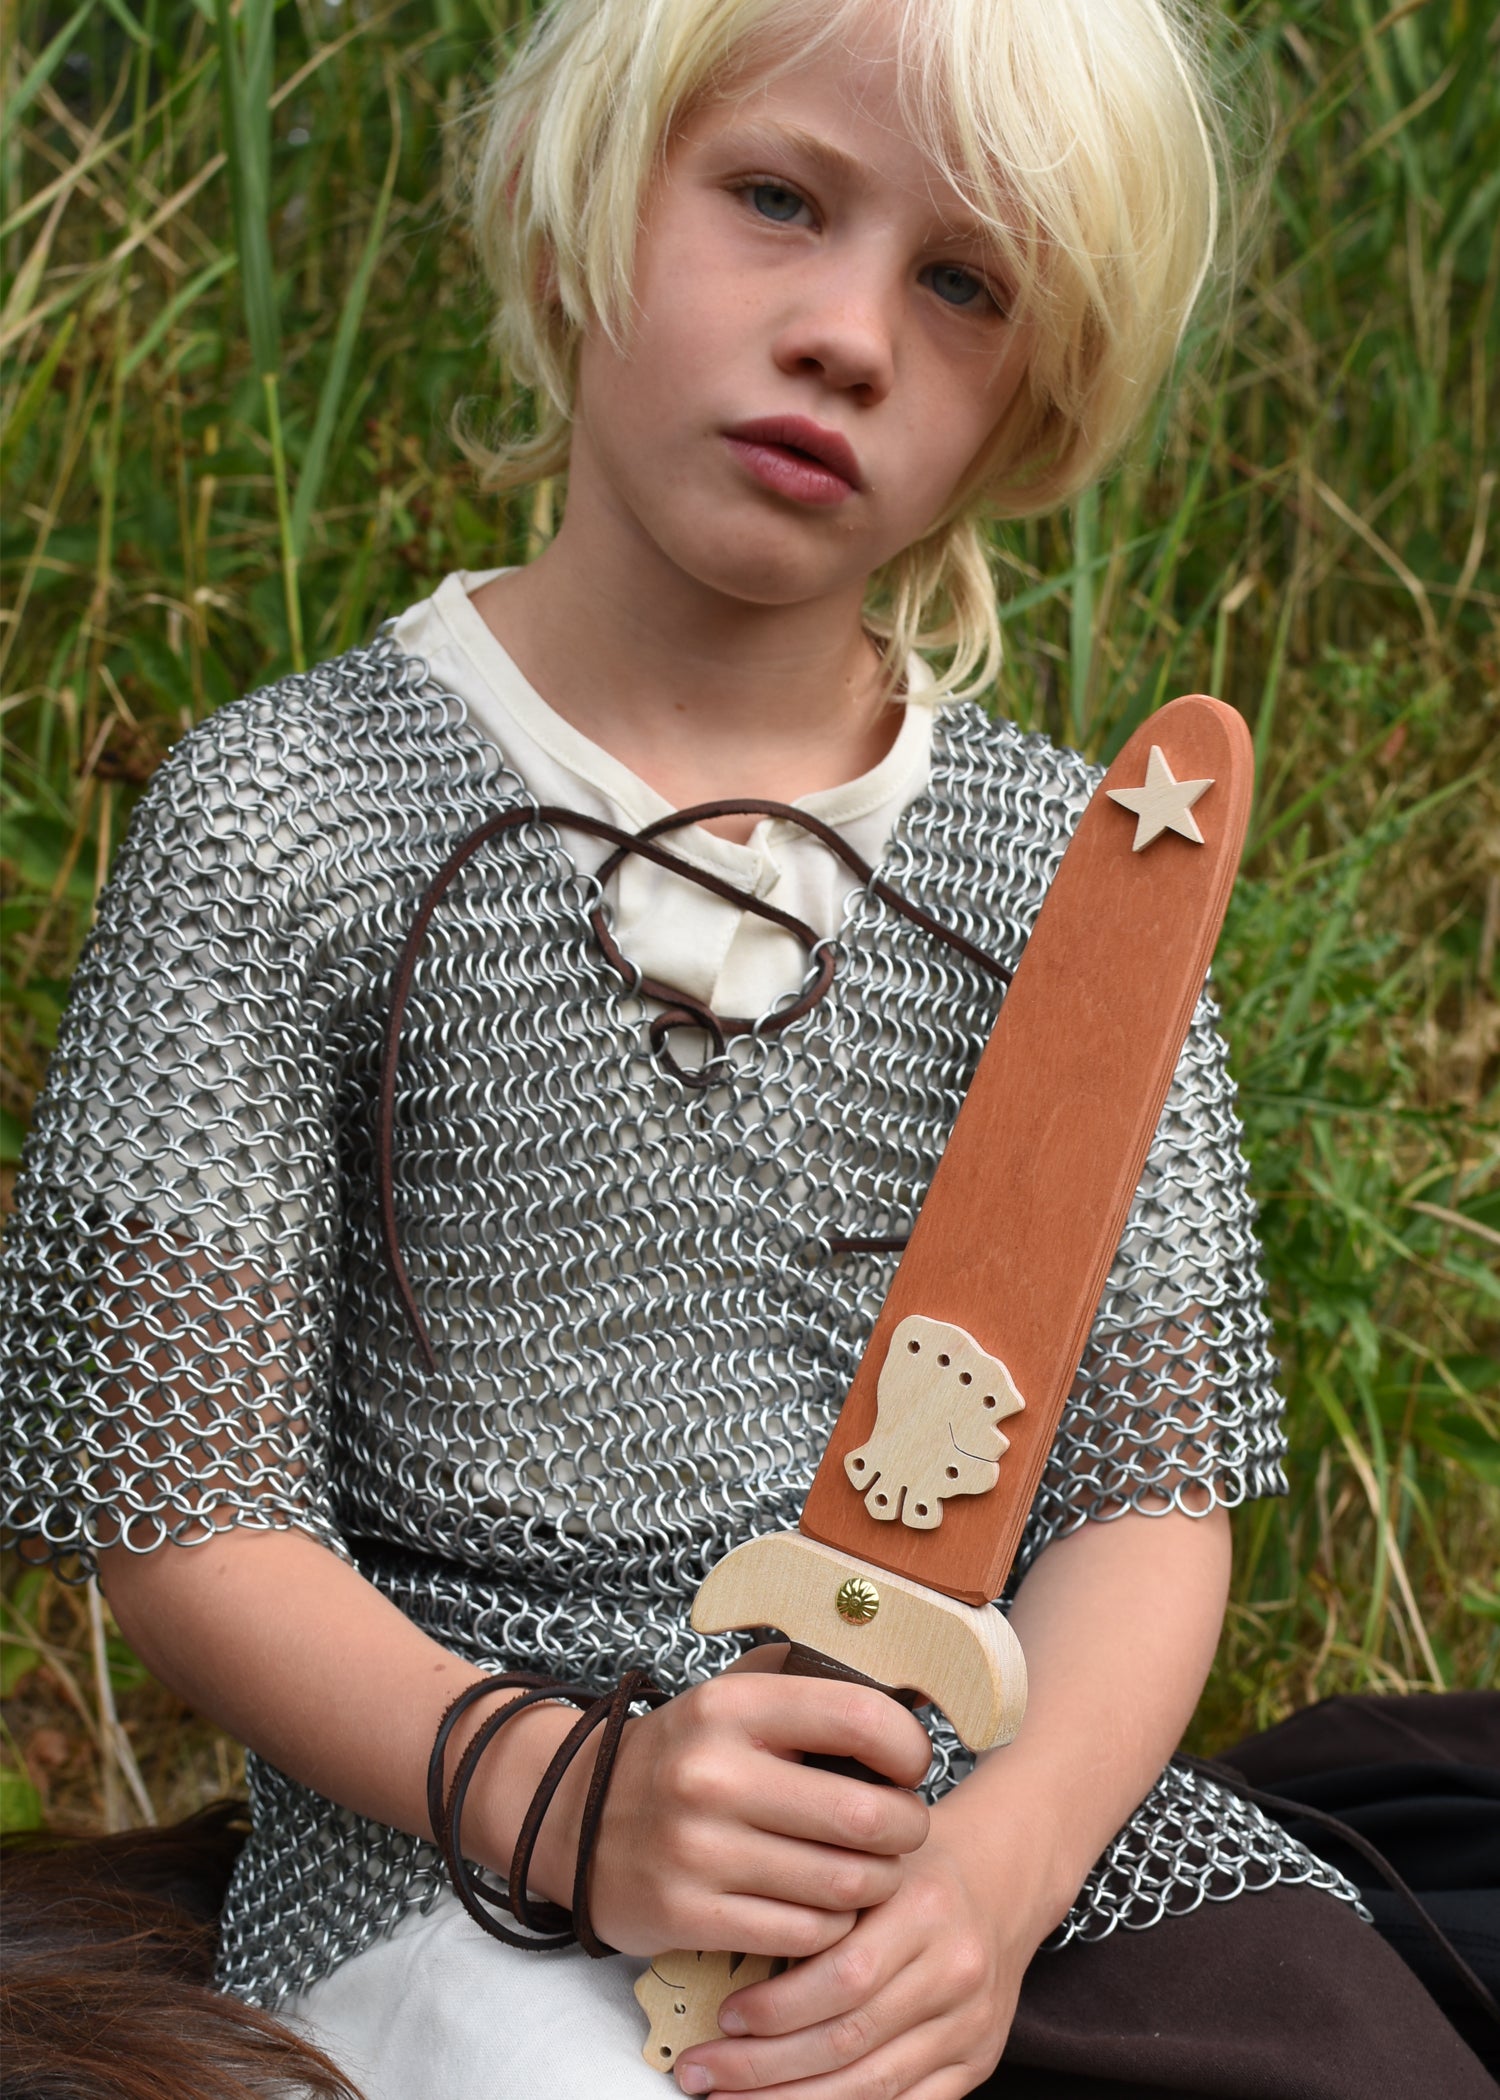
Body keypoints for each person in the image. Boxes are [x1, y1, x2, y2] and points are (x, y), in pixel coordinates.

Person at [4, 3, 1491, 2097]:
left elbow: (1147, 1499)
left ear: (1032, 397)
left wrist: (1006, 1861)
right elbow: (181, 1500)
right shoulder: (292, 820)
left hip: (985, 1827)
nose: (848, 335)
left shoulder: (1074, 876)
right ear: (583, 211)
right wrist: (565, 1804)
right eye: (777, 199)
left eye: (962, 283)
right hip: (469, 1841)